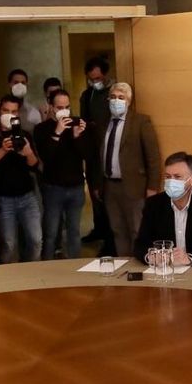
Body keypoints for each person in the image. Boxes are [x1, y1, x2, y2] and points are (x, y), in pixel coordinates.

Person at [88, 81, 160, 255]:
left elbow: (153, 157)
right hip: (109, 186)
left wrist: (152, 187)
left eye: (121, 97)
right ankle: (124, 264)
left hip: (134, 187)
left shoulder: (140, 121)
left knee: (136, 230)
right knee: (117, 230)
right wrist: (97, 184)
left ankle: (138, 265)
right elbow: (98, 156)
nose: (116, 101)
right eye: (113, 97)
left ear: (128, 101)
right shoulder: (103, 123)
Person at [0, 96, 43, 263]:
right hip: (2, 198)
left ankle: (31, 272)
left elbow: (34, 165)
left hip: (27, 195)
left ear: (18, 114)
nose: (9, 114)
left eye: (14, 111)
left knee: (36, 240)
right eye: (6, 110)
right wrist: (3, 149)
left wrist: (28, 152)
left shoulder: (24, 135)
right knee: (8, 244)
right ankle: (6, 275)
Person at [35, 88, 90, 260]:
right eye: (59, 107)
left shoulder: (77, 124)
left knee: (74, 231)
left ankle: (75, 267)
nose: (64, 111)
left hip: (76, 186)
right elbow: (46, 157)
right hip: (53, 187)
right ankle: (47, 266)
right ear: (51, 107)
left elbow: (86, 154)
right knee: (51, 232)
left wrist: (77, 136)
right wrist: (57, 132)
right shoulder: (41, 129)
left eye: (67, 107)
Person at [78, 56, 115, 250]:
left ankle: (111, 240)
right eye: (92, 79)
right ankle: (98, 229)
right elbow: (84, 121)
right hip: (93, 152)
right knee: (95, 194)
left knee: (109, 197)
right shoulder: (87, 95)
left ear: (105, 75)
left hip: (110, 150)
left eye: (98, 78)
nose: (95, 82)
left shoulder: (114, 93)